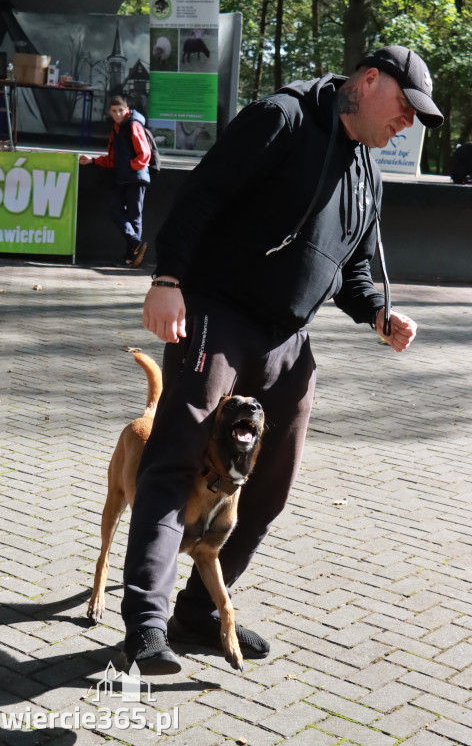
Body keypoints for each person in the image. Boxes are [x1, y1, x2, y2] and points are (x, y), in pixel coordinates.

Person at [120, 45, 444, 674]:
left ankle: (199, 613)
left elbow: (350, 268)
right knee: (175, 458)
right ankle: (145, 627)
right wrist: (168, 279)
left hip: (288, 339)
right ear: (369, 81)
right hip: (217, 312)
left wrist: (377, 311)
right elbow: (203, 195)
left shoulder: (366, 170)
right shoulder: (284, 117)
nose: (406, 123)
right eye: (404, 107)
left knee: (271, 483)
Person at [79, 96, 151, 267]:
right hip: (123, 177)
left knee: (134, 217)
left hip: (135, 178)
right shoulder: (116, 130)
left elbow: (145, 153)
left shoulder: (133, 125)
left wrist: (131, 167)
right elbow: (112, 159)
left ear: (127, 110)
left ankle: (131, 257)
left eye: (120, 110)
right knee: (115, 210)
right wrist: (93, 160)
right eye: (114, 111)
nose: (117, 114)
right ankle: (135, 245)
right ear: (110, 112)